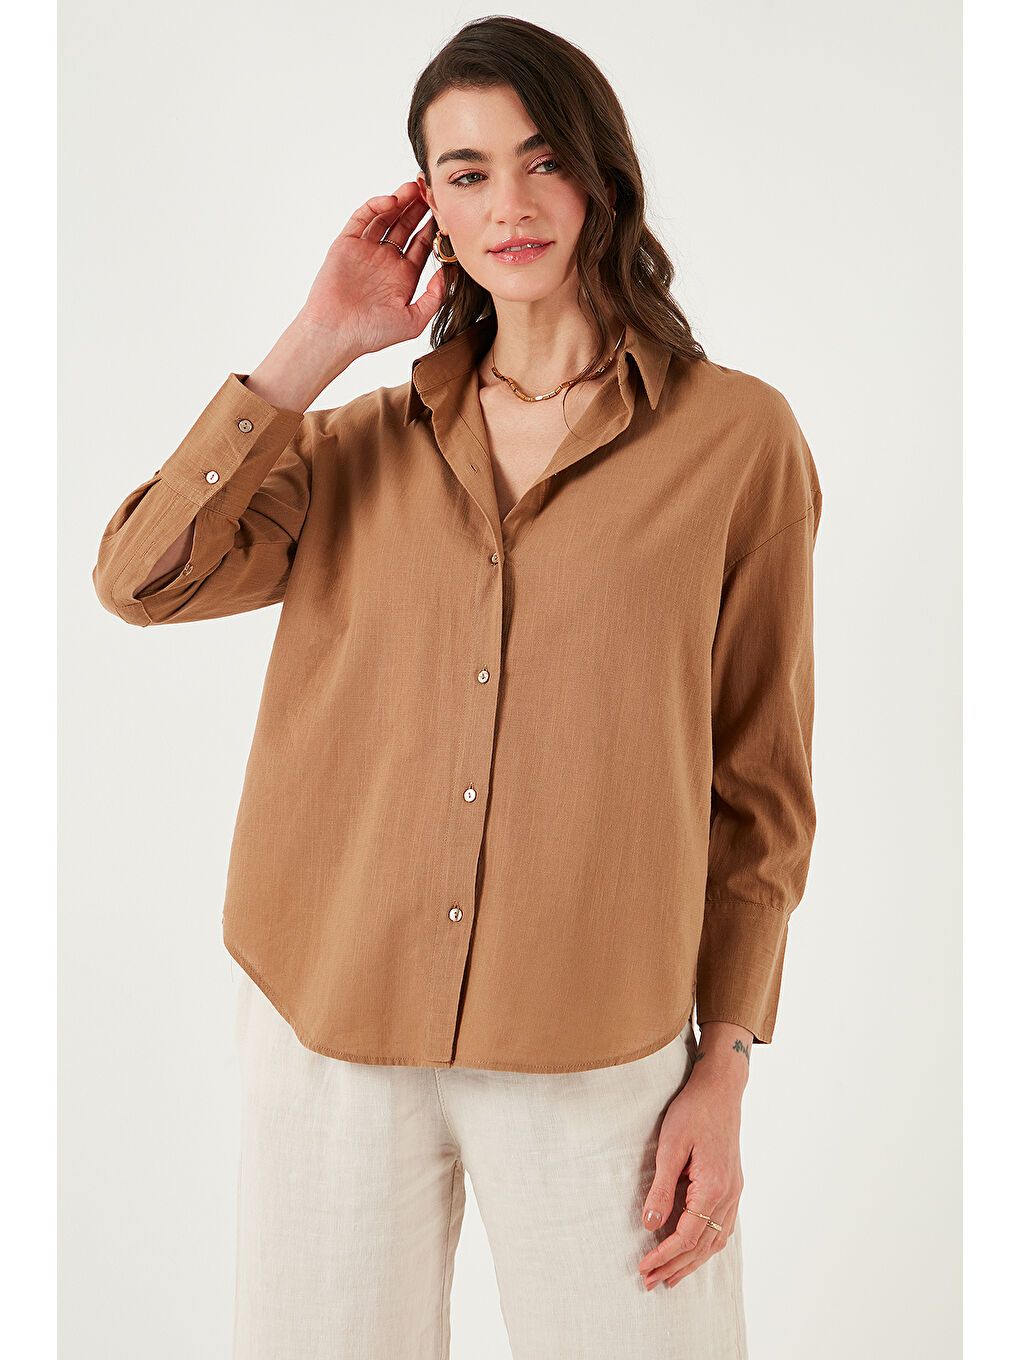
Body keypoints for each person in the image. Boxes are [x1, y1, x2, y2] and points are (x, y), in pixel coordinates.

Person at [92, 15, 822, 1359]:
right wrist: (318, 339)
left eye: (542, 160)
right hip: (332, 1018)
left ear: (601, 175)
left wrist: (723, 1069)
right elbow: (140, 581)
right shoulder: (351, 447)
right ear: (429, 205)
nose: (511, 205)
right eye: (467, 173)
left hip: (595, 1038)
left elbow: (760, 783)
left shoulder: (737, 440)